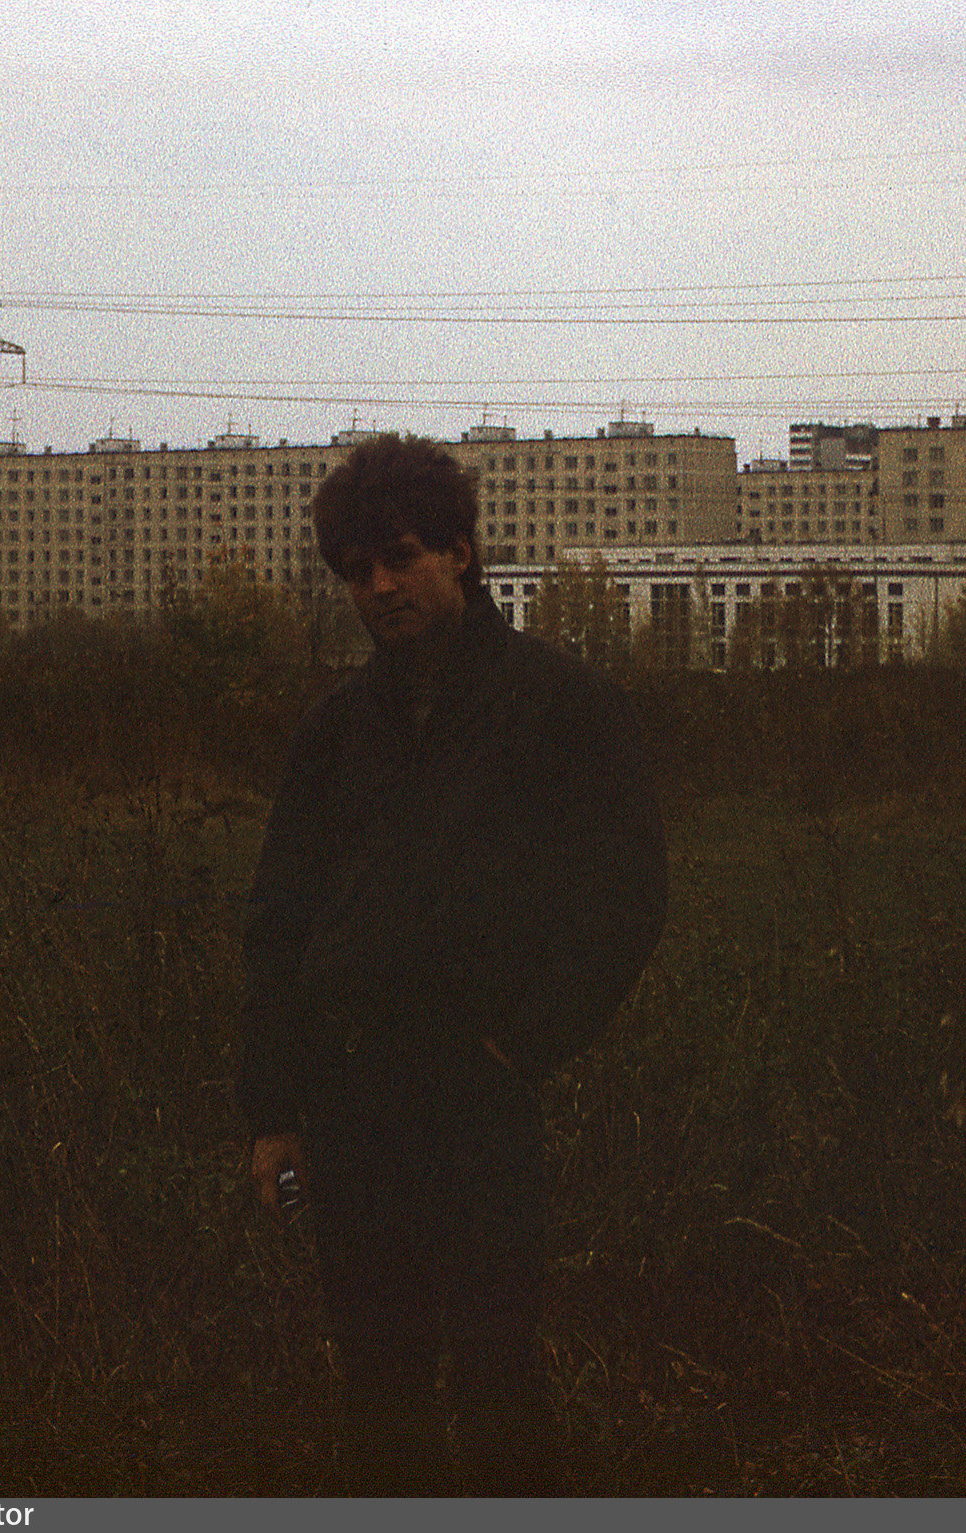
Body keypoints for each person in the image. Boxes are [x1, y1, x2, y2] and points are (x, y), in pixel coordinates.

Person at [236, 433, 667, 1495]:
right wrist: (273, 1112)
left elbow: (625, 896)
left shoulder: (561, 706)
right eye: (358, 571)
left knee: (496, 1376)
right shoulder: (335, 733)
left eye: (401, 557)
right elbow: (279, 924)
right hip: (351, 1106)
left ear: (461, 552)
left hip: (481, 1102)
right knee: (379, 1386)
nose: (380, 587)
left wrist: (523, 1043)